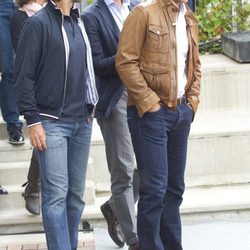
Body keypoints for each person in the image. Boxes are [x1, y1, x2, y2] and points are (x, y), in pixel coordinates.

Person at [116, 0, 201, 249]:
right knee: (154, 191)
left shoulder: (189, 17)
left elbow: (194, 64)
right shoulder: (143, 12)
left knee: (174, 189)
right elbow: (125, 61)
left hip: (181, 113)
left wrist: (192, 101)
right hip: (151, 115)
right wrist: (149, 102)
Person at [14, 0, 98, 248]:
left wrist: (91, 109)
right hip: (51, 123)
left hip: (81, 121)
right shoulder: (37, 24)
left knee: (75, 197)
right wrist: (32, 119)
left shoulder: (79, 22)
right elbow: (23, 76)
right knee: (55, 197)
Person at [82, 0, 139, 249]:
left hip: (145, 95)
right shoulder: (91, 16)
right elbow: (96, 64)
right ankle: (134, 238)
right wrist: (130, 55)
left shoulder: (137, 7)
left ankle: (115, 207)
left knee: (150, 168)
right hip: (115, 98)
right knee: (124, 169)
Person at [10, 0, 47, 216]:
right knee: (44, 136)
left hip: (58, 85)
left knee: (49, 136)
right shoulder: (19, 17)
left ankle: (34, 186)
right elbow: (22, 54)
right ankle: (33, 188)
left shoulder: (57, 12)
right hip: (35, 86)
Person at [0, 0, 24, 145]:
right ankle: (14, 123)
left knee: (11, 67)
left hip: (20, 5)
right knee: (7, 67)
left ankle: (14, 123)